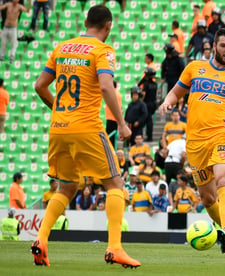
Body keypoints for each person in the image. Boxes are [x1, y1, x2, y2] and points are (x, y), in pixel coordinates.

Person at [31, 5, 140, 268]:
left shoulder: (63, 47)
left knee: (67, 187)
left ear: (85, 21)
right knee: (115, 185)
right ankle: (114, 248)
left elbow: (39, 86)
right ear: (108, 26)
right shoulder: (103, 50)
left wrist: (56, 108)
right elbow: (105, 85)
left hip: (58, 128)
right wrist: (123, 125)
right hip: (87, 127)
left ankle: (41, 240)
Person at [159, 28, 225, 257]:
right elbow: (176, 92)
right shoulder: (195, 68)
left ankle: (223, 229)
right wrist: (167, 102)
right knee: (207, 198)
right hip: (195, 142)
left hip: (223, 135)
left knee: (224, 179)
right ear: (214, 46)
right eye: (223, 46)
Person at [138, 67, 158, 142]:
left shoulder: (146, 84)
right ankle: (149, 136)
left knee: (144, 121)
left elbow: (143, 94)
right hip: (153, 104)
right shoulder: (155, 84)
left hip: (146, 104)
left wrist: (141, 103)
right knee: (149, 120)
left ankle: (142, 136)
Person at [104, 81, 122, 147]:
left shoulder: (114, 94)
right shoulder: (116, 93)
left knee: (110, 136)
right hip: (112, 117)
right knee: (111, 136)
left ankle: (111, 149)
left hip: (112, 117)